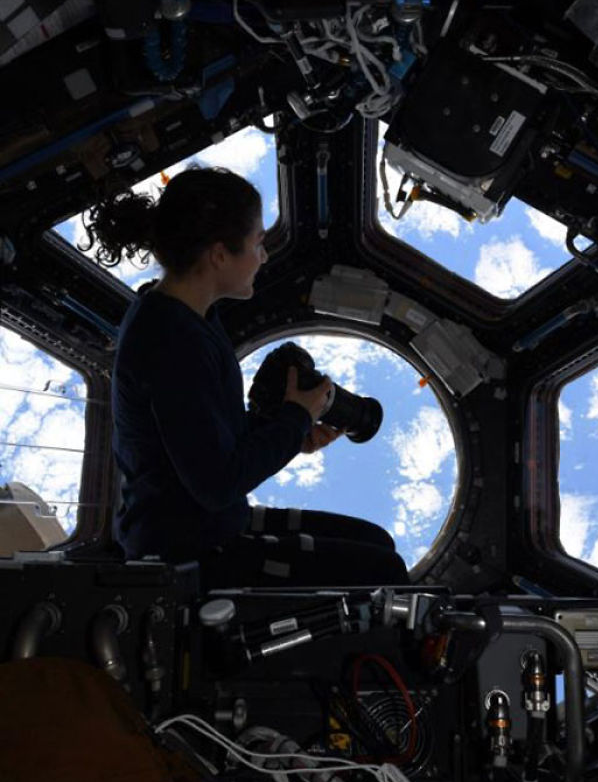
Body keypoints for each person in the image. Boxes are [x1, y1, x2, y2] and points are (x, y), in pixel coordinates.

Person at [87, 166, 409, 587]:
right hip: (187, 549)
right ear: (219, 255)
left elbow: (206, 435)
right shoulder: (171, 343)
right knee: (384, 571)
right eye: (258, 243)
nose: (265, 256)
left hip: (206, 519)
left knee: (377, 541)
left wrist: (289, 433)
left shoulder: (186, 315)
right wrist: (294, 420)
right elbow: (219, 482)